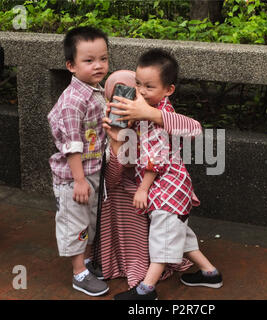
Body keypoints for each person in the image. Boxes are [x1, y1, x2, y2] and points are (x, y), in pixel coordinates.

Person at [111, 49, 223, 300]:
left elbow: (157, 157)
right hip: (171, 189)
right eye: (138, 84)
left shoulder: (161, 114)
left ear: (168, 89)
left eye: (149, 86)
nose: (140, 91)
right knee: (179, 234)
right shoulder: (148, 109)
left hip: (167, 190)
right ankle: (210, 273)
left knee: (162, 241)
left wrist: (143, 189)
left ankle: (146, 290)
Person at [93, 70, 202, 290]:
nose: (128, 102)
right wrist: (116, 139)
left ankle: (147, 287)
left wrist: (149, 114)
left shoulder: (153, 119)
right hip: (127, 201)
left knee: (169, 233)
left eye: (134, 95)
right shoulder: (110, 124)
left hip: (156, 193)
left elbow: (195, 129)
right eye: (118, 98)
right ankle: (208, 272)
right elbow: (113, 180)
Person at [47, 26, 110, 297]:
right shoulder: (74, 100)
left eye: (103, 59)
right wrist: (80, 180)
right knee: (76, 224)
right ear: (71, 66)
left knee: (89, 223)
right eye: (89, 60)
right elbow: (72, 144)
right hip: (75, 176)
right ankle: (78, 273)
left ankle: (85, 262)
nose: (98, 65)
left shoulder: (95, 90)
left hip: (92, 171)